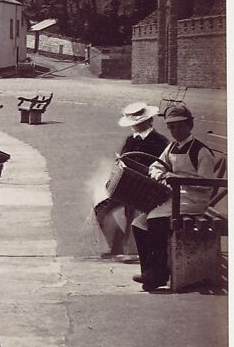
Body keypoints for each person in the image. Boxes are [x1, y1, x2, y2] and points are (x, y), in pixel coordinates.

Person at [137, 104, 226, 291]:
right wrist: (159, 173)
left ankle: (160, 273)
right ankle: (150, 271)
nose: (175, 131)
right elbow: (158, 165)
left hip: (195, 201)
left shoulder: (200, 152)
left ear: (190, 125)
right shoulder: (172, 147)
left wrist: (176, 179)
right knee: (139, 223)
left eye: (180, 126)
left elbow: (205, 184)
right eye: (171, 127)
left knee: (154, 219)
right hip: (177, 197)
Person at [96, 103, 168, 258]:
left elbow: (161, 168)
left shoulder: (160, 142)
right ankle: (117, 247)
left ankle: (133, 250)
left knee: (133, 211)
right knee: (100, 210)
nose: (136, 126)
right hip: (126, 187)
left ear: (150, 121)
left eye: (140, 122)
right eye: (135, 123)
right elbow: (122, 161)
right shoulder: (130, 140)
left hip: (147, 191)